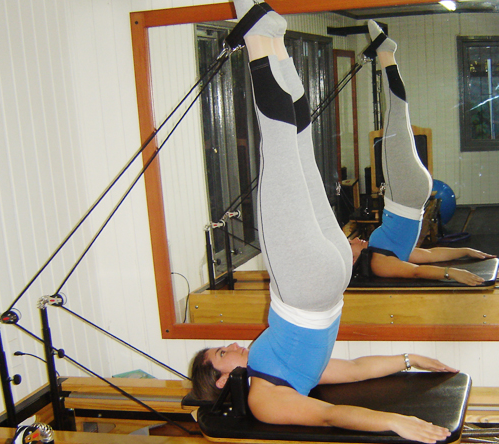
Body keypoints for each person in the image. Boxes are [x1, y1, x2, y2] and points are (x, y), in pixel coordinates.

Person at [190, 3, 457, 443]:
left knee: (300, 145)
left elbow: (353, 370)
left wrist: (410, 360)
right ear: (221, 381)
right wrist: (392, 420)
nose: (233, 345)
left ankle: (275, 43)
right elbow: (330, 416)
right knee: (279, 148)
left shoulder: (283, 368)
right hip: (306, 288)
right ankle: (258, 39)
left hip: (330, 276)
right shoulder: (264, 398)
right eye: (222, 354)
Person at [353, 21, 495, 287]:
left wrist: (464, 251)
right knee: (396, 113)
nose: (353, 240)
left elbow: (429, 255)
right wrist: (452, 273)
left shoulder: (384, 250)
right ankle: (386, 53)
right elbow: (417, 272)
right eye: (349, 245)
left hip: (411, 193)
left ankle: (386, 53)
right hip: (404, 193)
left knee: (398, 119)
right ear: (351, 260)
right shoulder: (378, 262)